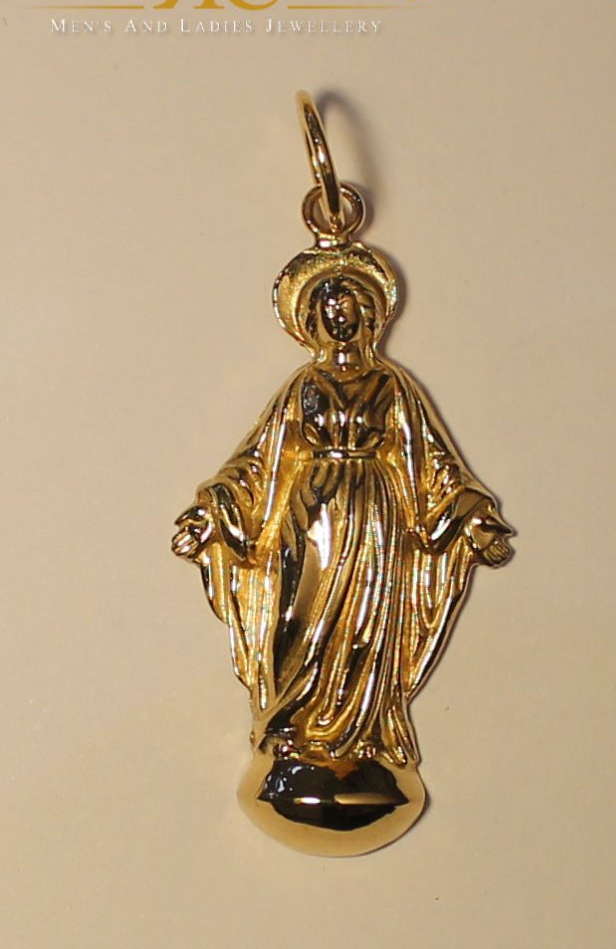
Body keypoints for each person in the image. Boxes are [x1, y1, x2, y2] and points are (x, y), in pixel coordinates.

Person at [172, 243, 512, 769]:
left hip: (372, 511)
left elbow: (432, 462)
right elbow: (258, 460)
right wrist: (212, 511)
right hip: (307, 511)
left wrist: (474, 520)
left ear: (368, 313)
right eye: (326, 308)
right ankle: (286, 726)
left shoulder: (391, 385)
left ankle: (362, 735)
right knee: (293, 618)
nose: (337, 316)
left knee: (363, 627)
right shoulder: (303, 385)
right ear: (311, 319)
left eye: (346, 306)